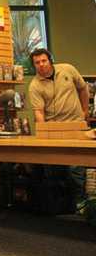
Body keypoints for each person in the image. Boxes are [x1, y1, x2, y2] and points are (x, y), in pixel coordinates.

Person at [28, 48, 89, 210]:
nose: (41, 65)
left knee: (77, 168)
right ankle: (61, 206)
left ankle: (81, 204)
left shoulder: (68, 69)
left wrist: (85, 111)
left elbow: (83, 88)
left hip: (76, 126)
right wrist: (44, 132)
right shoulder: (35, 86)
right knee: (55, 170)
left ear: (50, 60)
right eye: (37, 63)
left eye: (43, 61)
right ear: (34, 65)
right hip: (54, 130)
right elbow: (39, 113)